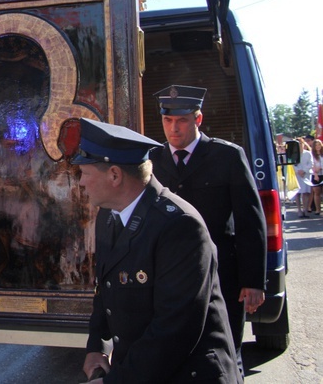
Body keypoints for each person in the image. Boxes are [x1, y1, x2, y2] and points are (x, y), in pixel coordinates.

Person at [75, 119, 240, 383]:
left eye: (84, 173)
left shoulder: (180, 226)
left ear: (115, 175)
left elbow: (174, 331)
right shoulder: (108, 216)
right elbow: (104, 290)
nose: (80, 183)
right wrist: (97, 345)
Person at [150, 85, 266, 375]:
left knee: (225, 355)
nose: (174, 128)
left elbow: (249, 221)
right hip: (169, 277)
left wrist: (253, 281)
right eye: (168, 121)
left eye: (182, 120)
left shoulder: (226, 156)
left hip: (221, 274)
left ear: (197, 119)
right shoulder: (151, 161)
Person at [293, 137, 313, 218]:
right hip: (297, 175)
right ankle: (299, 210)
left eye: (301, 143)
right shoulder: (293, 154)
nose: (299, 145)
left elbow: (311, 164)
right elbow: (291, 165)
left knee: (306, 193)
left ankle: (305, 209)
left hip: (306, 175)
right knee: (297, 193)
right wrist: (298, 171)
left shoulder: (308, 153)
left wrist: (304, 170)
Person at [310, 139, 323, 215]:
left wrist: (321, 168)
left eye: (319, 144)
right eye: (316, 145)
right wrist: (315, 174)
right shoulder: (312, 155)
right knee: (317, 192)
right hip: (315, 175)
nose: (318, 146)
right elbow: (312, 165)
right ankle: (318, 209)